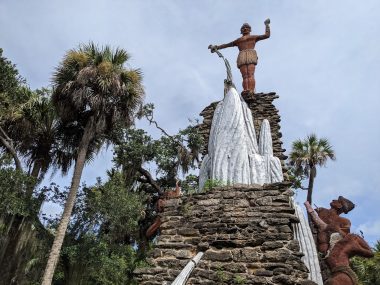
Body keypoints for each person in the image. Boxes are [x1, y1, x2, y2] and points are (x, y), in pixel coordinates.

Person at [209, 19, 270, 92]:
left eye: (247, 27)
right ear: (241, 31)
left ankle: (251, 90)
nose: (245, 29)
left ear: (250, 30)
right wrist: (217, 47)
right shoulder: (238, 40)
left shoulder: (253, 37)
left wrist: (267, 25)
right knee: (245, 75)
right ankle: (246, 90)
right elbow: (227, 45)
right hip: (242, 56)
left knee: (250, 74)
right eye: (243, 28)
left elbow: (266, 35)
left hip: (251, 54)